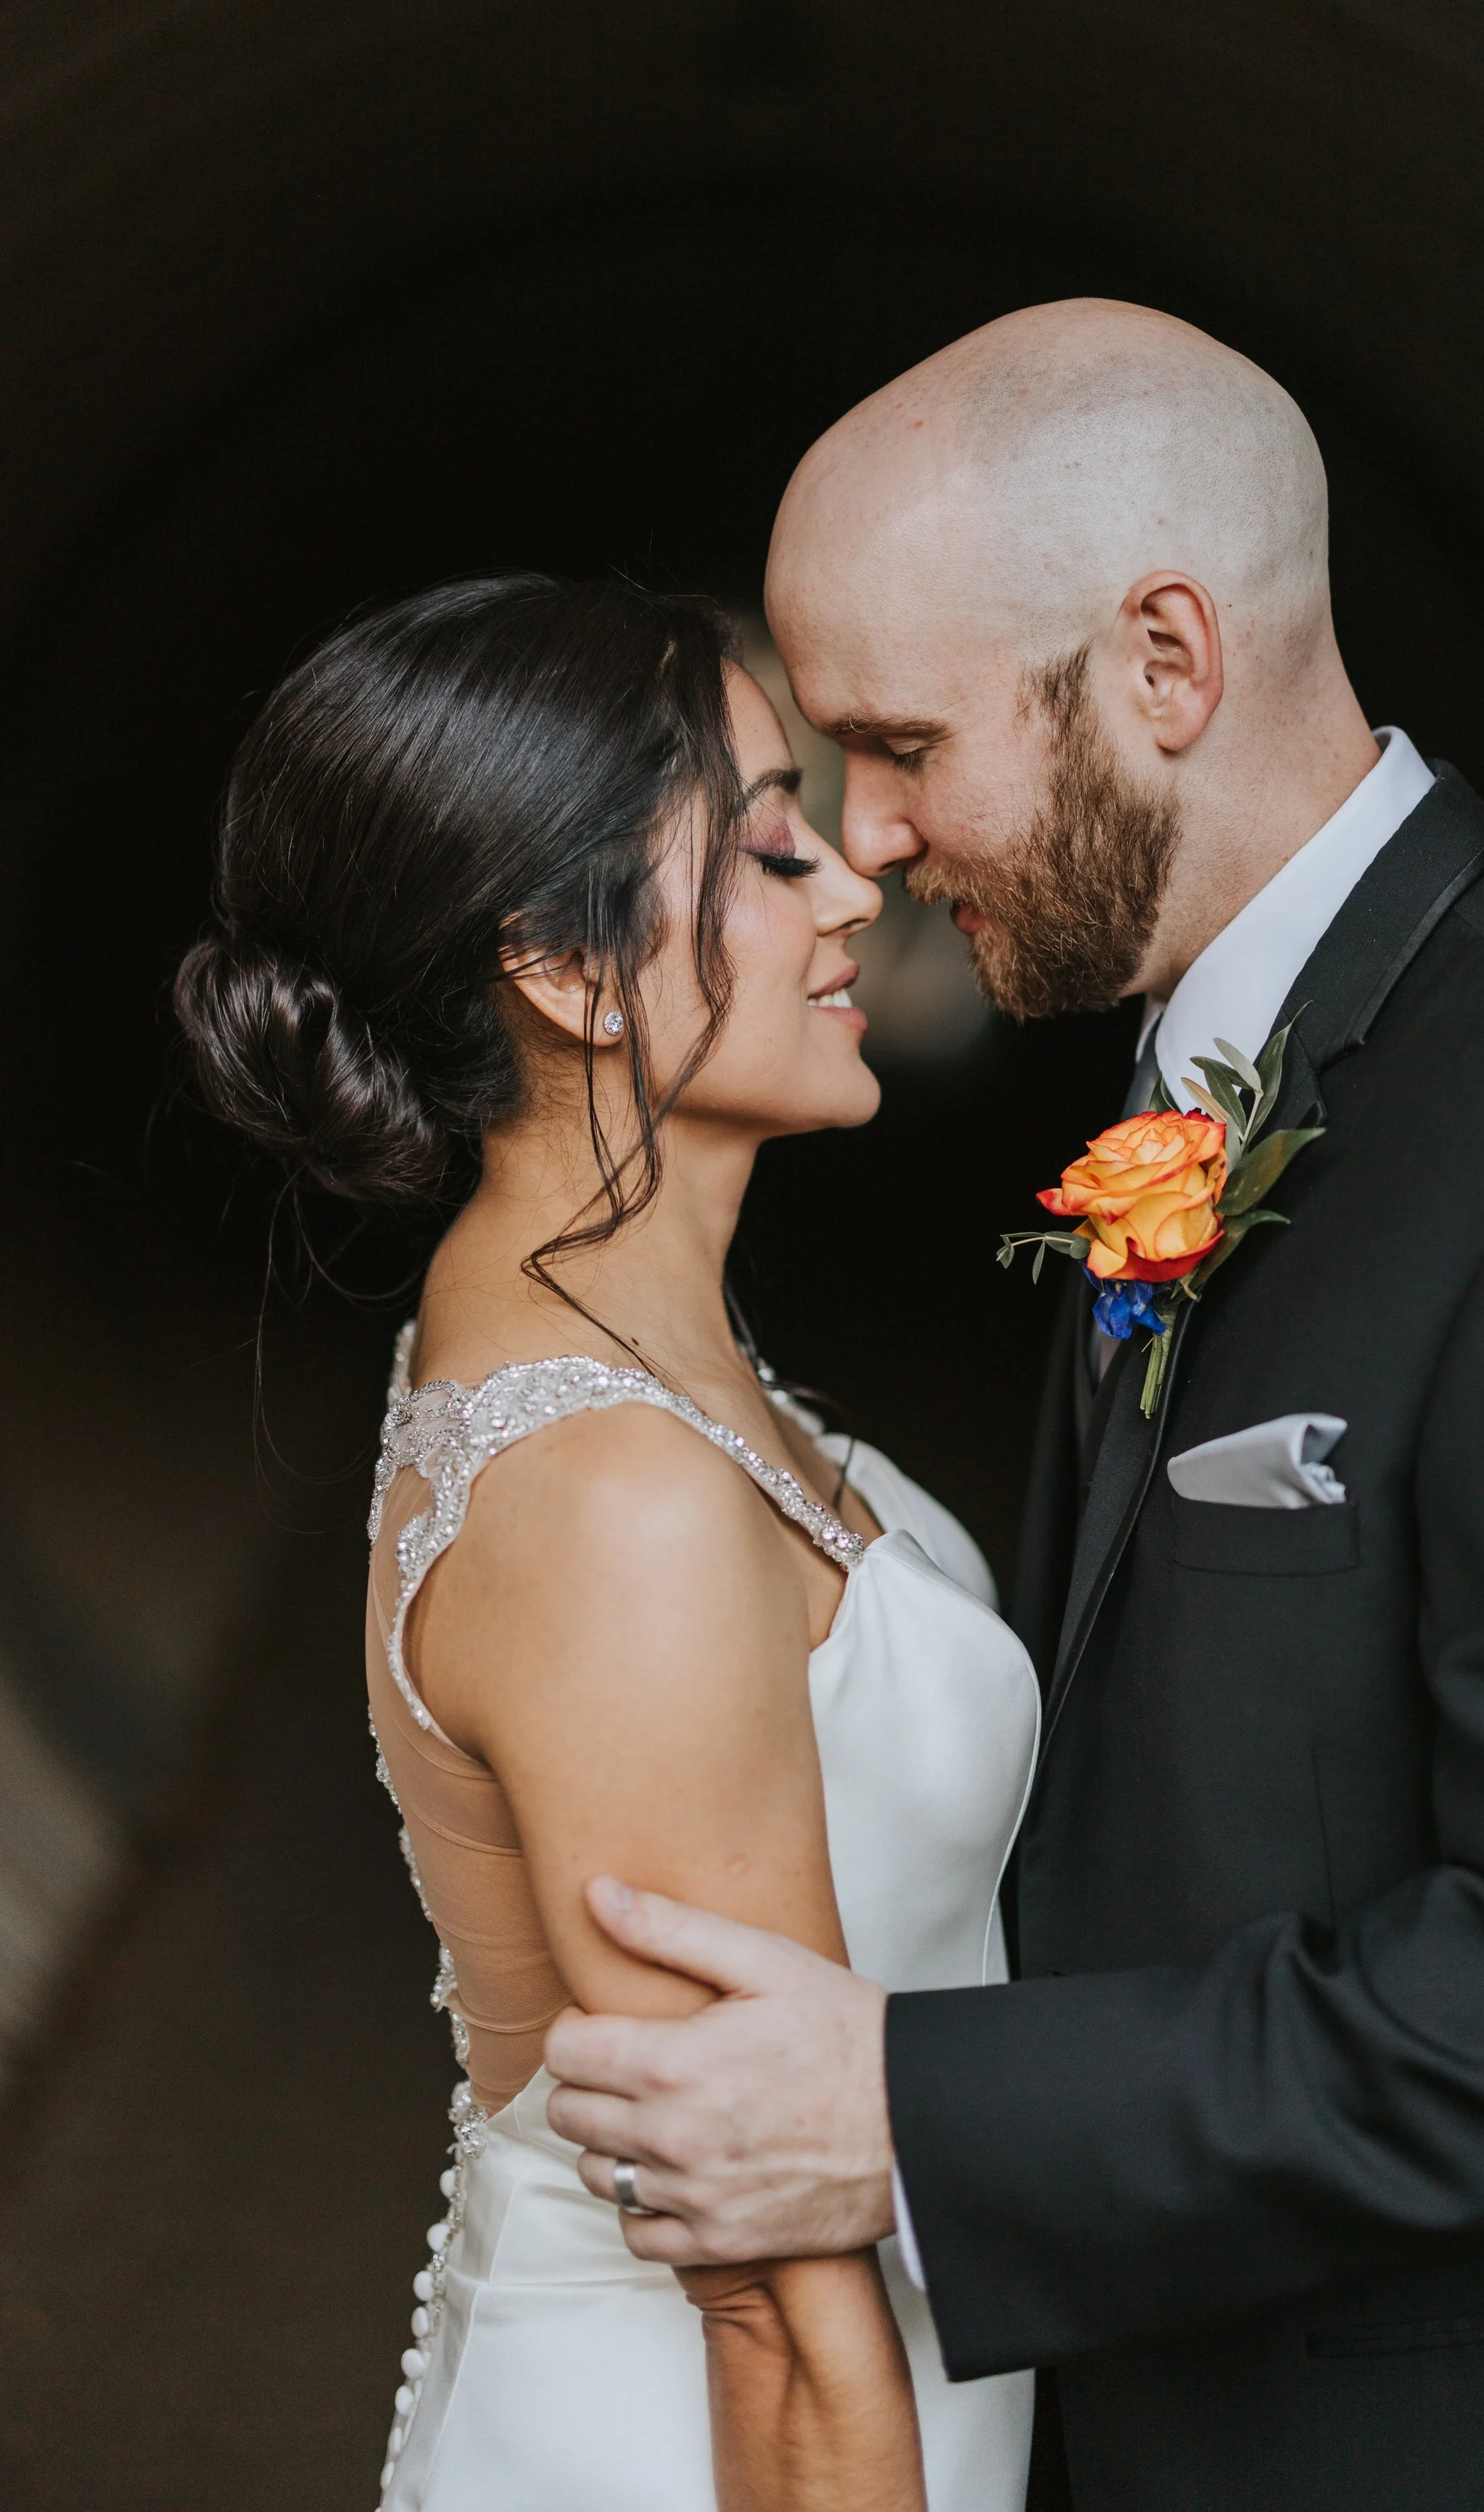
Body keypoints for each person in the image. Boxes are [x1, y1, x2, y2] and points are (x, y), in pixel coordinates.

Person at [543, 302, 1484, 2511]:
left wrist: (915, 2117)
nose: (875, 836)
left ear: (1161, 660)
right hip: (1186, 2392)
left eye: (903, 740)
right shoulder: (1216, 1050)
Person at [175, 574, 1039, 2511]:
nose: (849, 892)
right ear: (562, 970)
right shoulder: (614, 1501)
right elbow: (771, 2304)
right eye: (763, 845)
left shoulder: (596, 1349)